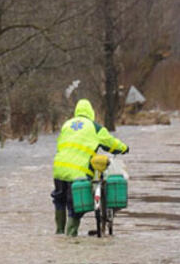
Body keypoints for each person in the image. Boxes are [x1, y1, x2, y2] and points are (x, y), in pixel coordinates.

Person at [52, 99, 129, 236]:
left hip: (59, 169)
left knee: (59, 199)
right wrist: (123, 148)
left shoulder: (66, 125)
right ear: (91, 113)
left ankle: (59, 234)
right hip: (77, 173)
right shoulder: (95, 127)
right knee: (75, 205)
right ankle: (70, 236)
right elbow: (110, 143)